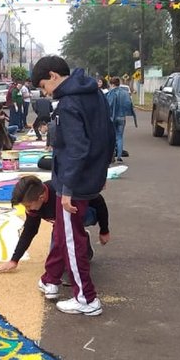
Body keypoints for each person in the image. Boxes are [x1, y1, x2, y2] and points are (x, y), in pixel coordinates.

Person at [29, 55, 114, 316]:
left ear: (53, 76)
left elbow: (76, 149)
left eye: (44, 86)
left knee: (71, 239)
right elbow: (107, 133)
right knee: (64, 234)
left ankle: (86, 298)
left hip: (74, 182)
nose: (45, 92)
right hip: (86, 176)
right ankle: (50, 279)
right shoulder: (92, 92)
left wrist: (66, 189)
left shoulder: (68, 103)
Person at [0, 175, 110, 273]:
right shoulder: (34, 205)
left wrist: (104, 230)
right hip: (60, 223)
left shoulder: (61, 191)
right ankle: (82, 240)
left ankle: (78, 233)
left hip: (86, 213)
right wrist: (14, 260)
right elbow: (29, 231)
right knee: (56, 261)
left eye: (28, 206)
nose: (27, 209)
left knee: (67, 256)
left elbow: (99, 201)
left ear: (41, 198)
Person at [106, 77, 137, 162]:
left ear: (112, 84)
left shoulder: (110, 93)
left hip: (113, 117)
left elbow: (109, 105)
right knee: (119, 136)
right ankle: (119, 156)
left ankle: (112, 155)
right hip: (122, 117)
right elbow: (129, 103)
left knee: (112, 136)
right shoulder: (125, 93)